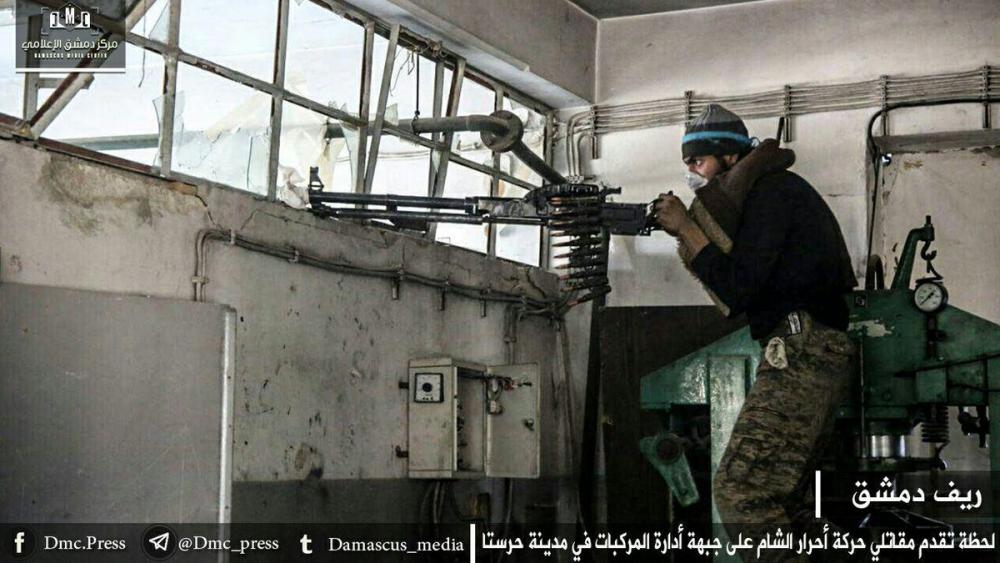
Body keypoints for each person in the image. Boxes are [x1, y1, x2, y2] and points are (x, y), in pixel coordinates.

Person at [654, 104, 858, 562]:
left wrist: (687, 229)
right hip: (810, 346)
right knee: (787, 503)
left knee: (741, 491)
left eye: (698, 161)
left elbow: (738, 287)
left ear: (729, 157)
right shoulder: (768, 193)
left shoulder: (772, 192)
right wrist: (690, 234)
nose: (691, 172)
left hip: (803, 347)